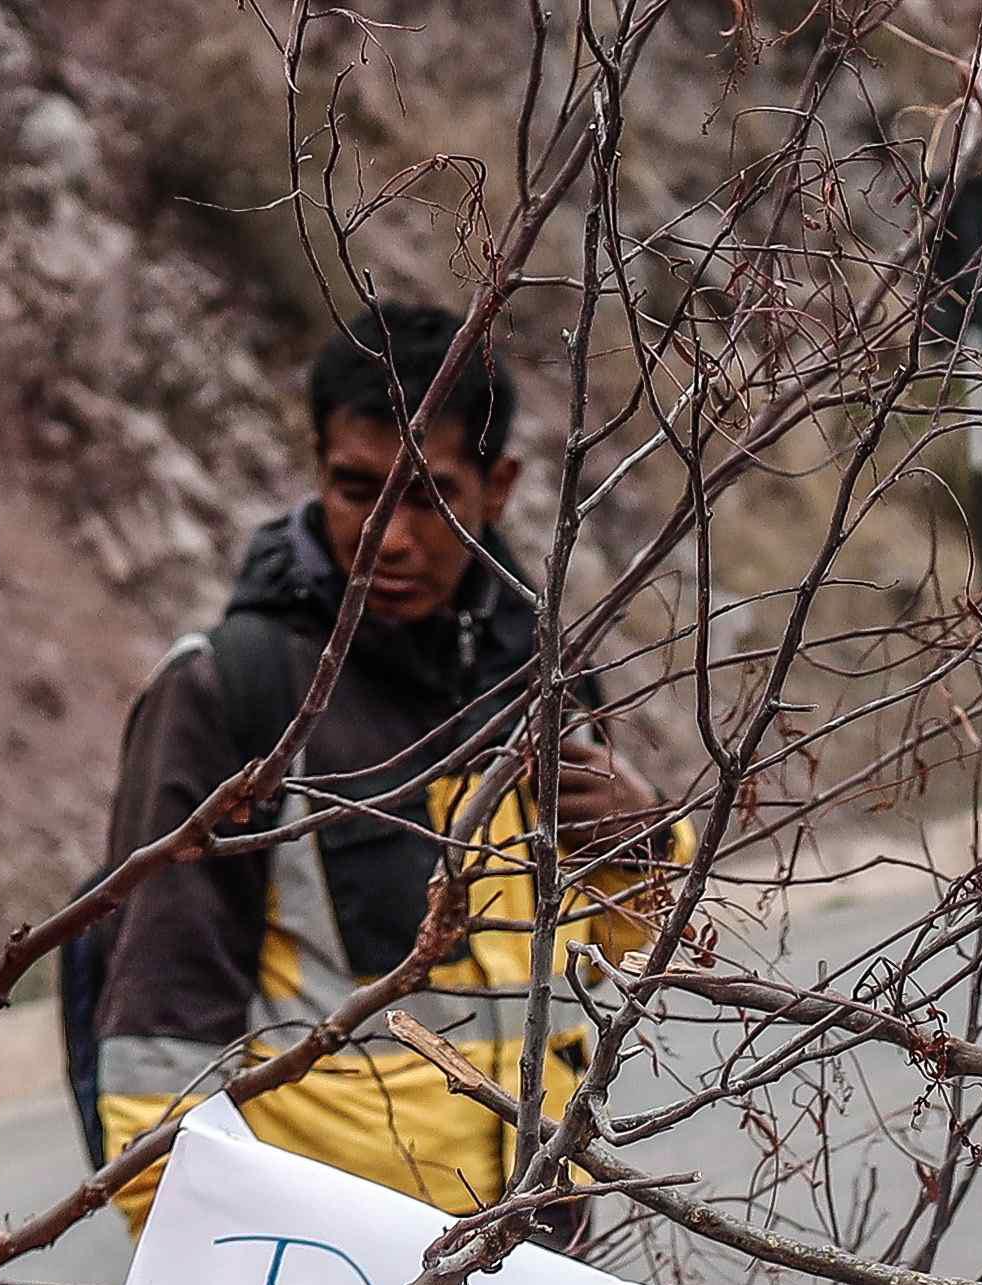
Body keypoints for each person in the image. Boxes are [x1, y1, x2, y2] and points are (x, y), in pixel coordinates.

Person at [65, 303, 673, 1221]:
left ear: (497, 487)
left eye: (429, 497)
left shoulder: (546, 676)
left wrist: (646, 849)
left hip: (537, 1254)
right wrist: (210, 1270)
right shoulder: (233, 692)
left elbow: (628, 964)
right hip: (330, 1280)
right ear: (317, 471)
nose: (390, 537)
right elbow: (160, 1035)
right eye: (358, 491)